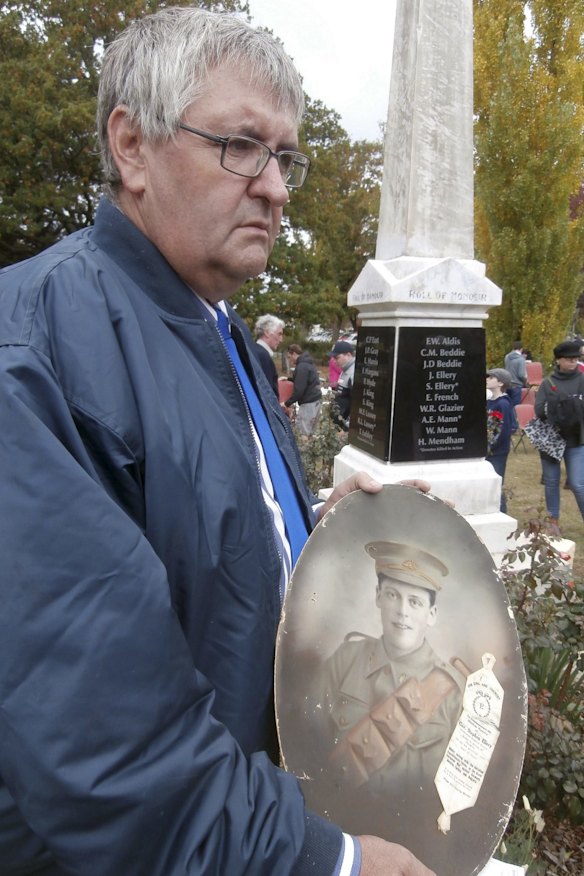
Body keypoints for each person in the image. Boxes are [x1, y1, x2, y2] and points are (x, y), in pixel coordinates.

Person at [0, 8, 434, 876]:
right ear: (132, 147)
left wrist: (317, 531)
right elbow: (107, 753)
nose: (274, 186)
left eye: (286, 157)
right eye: (240, 145)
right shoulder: (39, 344)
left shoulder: (218, 327)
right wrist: (334, 863)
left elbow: (193, 537)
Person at [317, 542, 465, 792]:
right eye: (392, 595)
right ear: (378, 596)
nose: (402, 612)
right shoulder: (345, 660)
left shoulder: (454, 691)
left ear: (432, 613)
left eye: (415, 602)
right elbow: (310, 741)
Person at [534, 339, 584, 529]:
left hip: (577, 439)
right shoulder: (548, 382)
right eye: (569, 359)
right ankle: (552, 522)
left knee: (579, 484)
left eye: (576, 359)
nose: (573, 362)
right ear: (558, 361)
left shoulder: (582, 379)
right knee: (551, 482)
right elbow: (539, 409)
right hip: (552, 440)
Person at [486, 368, 514, 513]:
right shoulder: (489, 401)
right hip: (486, 451)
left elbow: (501, 431)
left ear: (501, 382)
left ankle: (502, 512)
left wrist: (488, 448)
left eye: (492, 377)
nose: (487, 379)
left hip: (496, 452)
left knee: (495, 483)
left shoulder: (502, 404)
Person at [285, 344, 322, 435]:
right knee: (311, 432)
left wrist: (287, 403)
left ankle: (303, 449)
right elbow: (304, 380)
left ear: (293, 353)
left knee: (303, 433)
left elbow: (299, 391)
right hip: (316, 400)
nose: (290, 360)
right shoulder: (308, 363)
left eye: (290, 357)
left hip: (308, 403)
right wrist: (288, 379)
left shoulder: (301, 367)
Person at [254, 313, 285, 396]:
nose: (281, 340)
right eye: (279, 334)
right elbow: (267, 393)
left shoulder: (252, 350)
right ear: (267, 332)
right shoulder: (263, 356)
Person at [331, 340, 356, 430]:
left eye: (337, 357)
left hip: (344, 428)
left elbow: (356, 406)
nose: (334, 360)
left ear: (348, 355)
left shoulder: (354, 373)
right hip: (338, 424)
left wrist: (347, 428)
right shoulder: (345, 370)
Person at [504, 341, 528, 408]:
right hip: (516, 386)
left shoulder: (507, 357)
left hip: (507, 384)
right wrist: (525, 381)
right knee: (516, 408)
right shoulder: (521, 359)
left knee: (508, 406)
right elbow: (521, 374)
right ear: (521, 349)